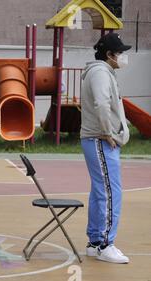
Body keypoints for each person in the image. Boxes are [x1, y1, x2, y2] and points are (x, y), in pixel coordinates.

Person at [80, 33, 131, 264]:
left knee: (101, 192)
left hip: (97, 139)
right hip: (100, 139)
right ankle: (105, 244)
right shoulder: (100, 72)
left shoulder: (102, 71)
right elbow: (101, 103)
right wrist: (108, 132)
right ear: (109, 55)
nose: (122, 56)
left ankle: (94, 242)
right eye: (119, 53)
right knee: (111, 192)